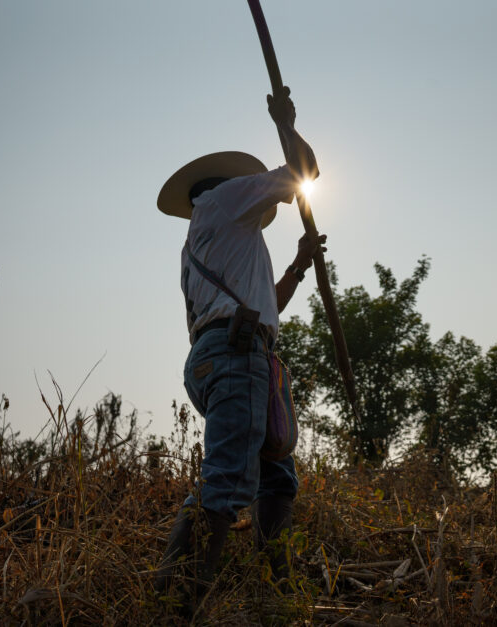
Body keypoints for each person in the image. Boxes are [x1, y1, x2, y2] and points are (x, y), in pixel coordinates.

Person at [153, 87, 324, 604]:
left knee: (276, 481)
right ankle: (175, 603)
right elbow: (306, 172)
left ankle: (275, 592)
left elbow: (258, 306)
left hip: (224, 357)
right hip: (237, 358)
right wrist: (286, 124)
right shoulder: (227, 201)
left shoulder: (201, 239)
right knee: (228, 483)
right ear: (234, 187)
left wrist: (297, 266)